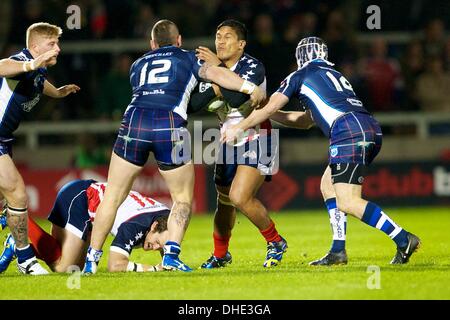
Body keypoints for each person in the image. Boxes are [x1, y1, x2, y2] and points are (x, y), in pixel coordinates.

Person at [83, 19, 265, 274]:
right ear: (179, 40)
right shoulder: (189, 58)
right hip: (169, 124)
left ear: (152, 44)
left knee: (112, 195)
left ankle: (91, 261)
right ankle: (171, 257)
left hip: (133, 122)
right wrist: (249, 86)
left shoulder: (137, 65)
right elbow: (217, 74)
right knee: (181, 199)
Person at [223, 37, 421, 265]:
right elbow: (307, 121)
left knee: (348, 201)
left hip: (348, 132)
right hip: (367, 127)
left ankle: (403, 238)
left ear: (300, 57)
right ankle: (338, 251)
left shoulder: (300, 75)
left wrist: (241, 125)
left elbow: (271, 106)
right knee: (328, 186)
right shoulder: (335, 75)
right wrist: (271, 114)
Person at [192, 20, 287, 269]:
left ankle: (275, 241)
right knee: (224, 202)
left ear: (241, 44)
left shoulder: (253, 66)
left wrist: (217, 75)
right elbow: (194, 104)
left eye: (227, 37)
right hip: (227, 138)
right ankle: (220, 254)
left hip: (258, 137)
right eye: (217, 36)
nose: (220, 41)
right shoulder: (213, 67)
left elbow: (235, 99)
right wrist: (218, 77)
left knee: (239, 196)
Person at [0, 22, 80, 275]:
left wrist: (56, 93)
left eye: (58, 43)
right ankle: (25, 258)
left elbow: (38, 80)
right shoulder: (22, 61)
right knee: (17, 194)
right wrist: (30, 64)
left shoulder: (39, 70)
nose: (58, 49)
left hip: (4, 139)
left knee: (6, 202)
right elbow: (2, 66)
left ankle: (15, 246)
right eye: (51, 44)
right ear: (34, 47)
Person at [0, 179, 170, 273]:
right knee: (64, 268)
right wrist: (155, 268)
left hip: (85, 196)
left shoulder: (165, 217)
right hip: (79, 199)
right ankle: (16, 218)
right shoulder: (134, 226)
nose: (155, 248)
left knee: (74, 267)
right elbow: (116, 265)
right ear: (154, 226)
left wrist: (169, 258)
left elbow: (166, 237)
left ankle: (18, 245)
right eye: (157, 243)